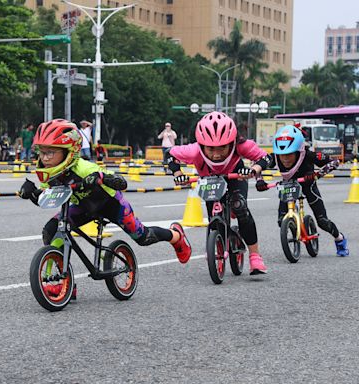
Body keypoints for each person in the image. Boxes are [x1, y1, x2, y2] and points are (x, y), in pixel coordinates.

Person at [19, 119, 192, 296]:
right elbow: (50, 199)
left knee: (143, 237)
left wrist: (101, 177)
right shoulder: (48, 173)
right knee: (51, 230)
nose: (45, 158)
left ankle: (176, 236)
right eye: (42, 153)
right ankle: (65, 281)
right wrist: (33, 194)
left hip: (111, 204)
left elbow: (121, 183)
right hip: (83, 207)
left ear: (69, 152)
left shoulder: (84, 168)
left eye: (51, 152)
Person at [165, 111, 272, 275]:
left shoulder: (241, 146)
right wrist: (178, 174)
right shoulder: (194, 150)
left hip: (235, 177)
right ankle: (220, 239)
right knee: (215, 217)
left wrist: (253, 170)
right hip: (209, 181)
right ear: (201, 145)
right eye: (210, 149)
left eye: (222, 147)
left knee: (240, 207)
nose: (216, 154)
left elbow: (266, 158)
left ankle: (255, 256)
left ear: (231, 142)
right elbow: (170, 155)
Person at [256, 125, 349, 256]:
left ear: (298, 150)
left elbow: (334, 162)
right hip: (288, 185)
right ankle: (295, 229)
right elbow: (257, 166)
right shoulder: (274, 157)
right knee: (281, 220)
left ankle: (340, 239)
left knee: (322, 221)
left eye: (289, 154)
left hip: (308, 184)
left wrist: (318, 174)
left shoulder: (308, 154)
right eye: (282, 155)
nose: (285, 159)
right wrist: (259, 180)